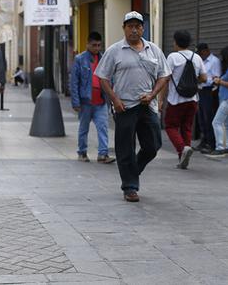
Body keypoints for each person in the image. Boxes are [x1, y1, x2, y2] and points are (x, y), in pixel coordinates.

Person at [95, 11, 170, 203]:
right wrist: (114, 99)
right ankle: (130, 187)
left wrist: (153, 95)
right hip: (125, 107)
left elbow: (164, 75)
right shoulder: (115, 50)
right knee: (125, 147)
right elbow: (102, 77)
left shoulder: (154, 50)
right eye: (130, 26)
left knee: (153, 145)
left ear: (143, 28)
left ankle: (133, 170)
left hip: (148, 105)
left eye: (138, 26)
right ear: (124, 28)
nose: (134, 30)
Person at [160, 30, 206, 169]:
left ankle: (182, 149)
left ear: (175, 42)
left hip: (176, 100)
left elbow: (165, 79)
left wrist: (161, 99)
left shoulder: (173, 57)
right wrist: (192, 82)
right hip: (192, 99)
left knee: (170, 126)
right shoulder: (196, 57)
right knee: (186, 128)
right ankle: (183, 158)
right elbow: (204, 78)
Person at [70, 32, 115, 164]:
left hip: (101, 101)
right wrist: (75, 102)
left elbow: (109, 77)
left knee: (103, 127)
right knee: (84, 128)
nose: (97, 48)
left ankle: (103, 154)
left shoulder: (104, 58)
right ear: (88, 44)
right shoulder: (80, 59)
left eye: (99, 45)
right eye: (94, 45)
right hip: (86, 101)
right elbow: (74, 82)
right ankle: (82, 152)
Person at [195, 43, 222, 153]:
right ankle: (204, 141)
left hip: (209, 91)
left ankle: (211, 143)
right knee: (201, 118)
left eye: (201, 53)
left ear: (206, 51)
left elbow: (216, 77)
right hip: (200, 90)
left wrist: (204, 80)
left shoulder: (214, 61)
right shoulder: (201, 61)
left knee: (209, 117)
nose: (200, 55)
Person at [209, 46, 228, 157]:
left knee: (216, 122)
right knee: (227, 124)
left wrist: (219, 81)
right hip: (226, 99)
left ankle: (220, 147)